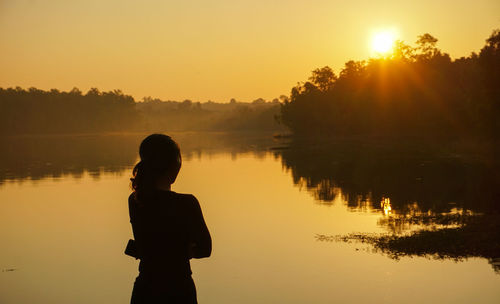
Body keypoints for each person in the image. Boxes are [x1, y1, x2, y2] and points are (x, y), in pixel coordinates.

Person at [127, 134, 212, 303]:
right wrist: (183, 249)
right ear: (175, 164)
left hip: (146, 288)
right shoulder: (187, 203)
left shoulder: (136, 200)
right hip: (179, 289)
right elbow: (205, 250)